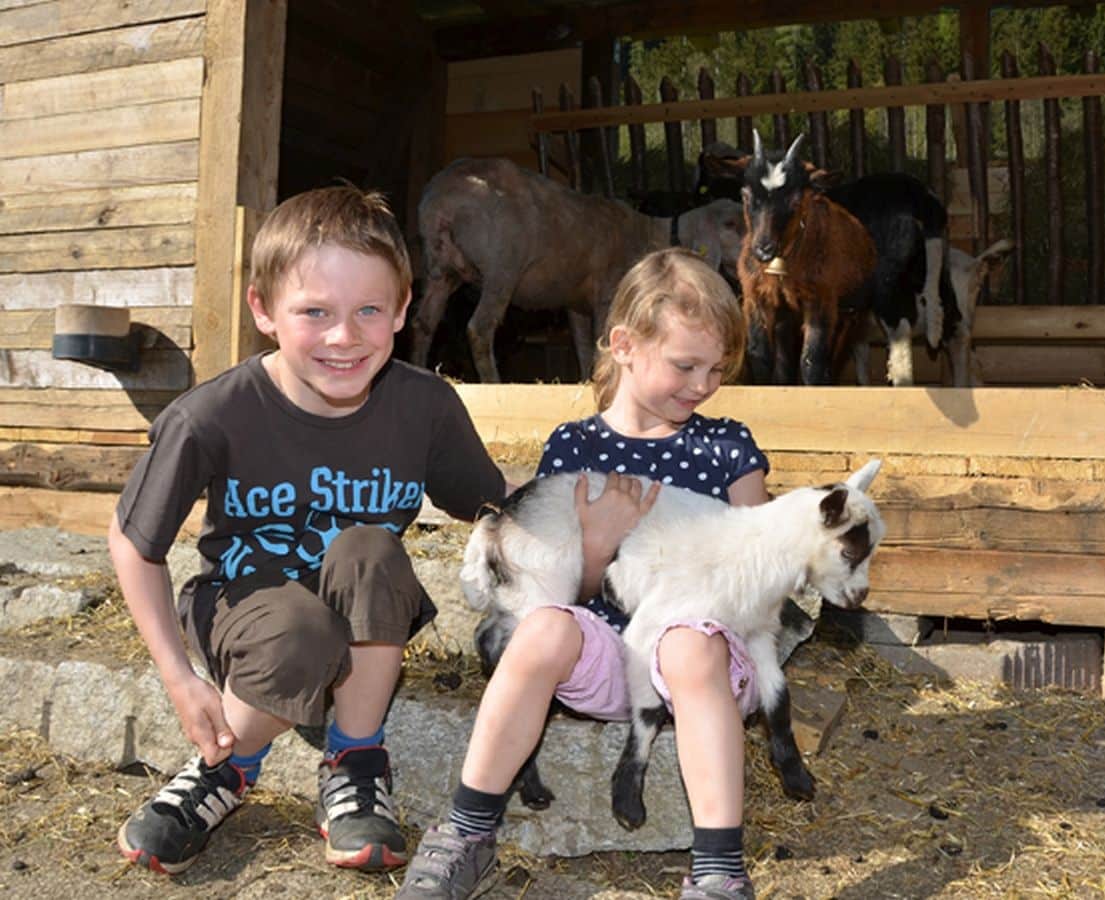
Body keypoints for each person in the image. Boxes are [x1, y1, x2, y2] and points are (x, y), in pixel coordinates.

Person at [108, 185, 509, 875]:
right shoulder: (211, 415)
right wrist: (179, 677)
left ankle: (355, 760)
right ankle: (226, 767)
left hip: (361, 612)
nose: (343, 337)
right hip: (247, 611)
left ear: (402, 309)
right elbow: (132, 542)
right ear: (263, 310)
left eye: (368, 311)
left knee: (373, 550)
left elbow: (494, 506)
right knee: (302, 630)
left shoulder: (425, 407)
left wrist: (581, 511)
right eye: (315, 311)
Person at [396, 248, 771, 900]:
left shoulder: (726, 447)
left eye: (717, 370)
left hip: (703, 663)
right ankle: (467, 832)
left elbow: (758, 577)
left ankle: (718, 871)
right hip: (607, 659)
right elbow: (556, 587)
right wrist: (597, 548)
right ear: (624, 346)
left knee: (686, 644)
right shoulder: (575, 448)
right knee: (541, 628)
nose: (703, 384)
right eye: (686, 365)